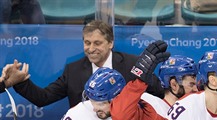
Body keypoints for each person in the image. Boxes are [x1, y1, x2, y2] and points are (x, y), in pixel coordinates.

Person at [12, 20, 163, 108]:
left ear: (110, 43)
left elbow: (159, 94)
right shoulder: (73, 70)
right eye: (87, 43)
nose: (91, 49)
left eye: (97, 43)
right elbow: (43, 98)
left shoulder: (133, 64)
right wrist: (20, 82)